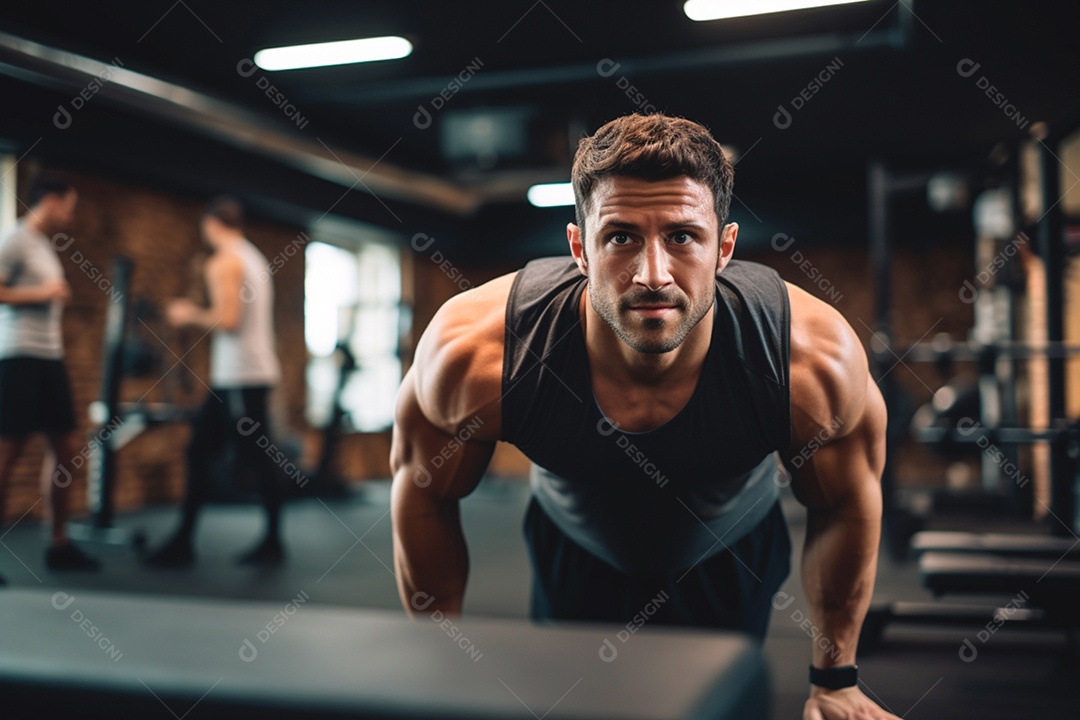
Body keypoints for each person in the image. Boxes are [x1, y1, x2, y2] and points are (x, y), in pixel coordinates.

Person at [391, 114, 898, 719]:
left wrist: (835, 678)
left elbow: (846, 501)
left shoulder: (808, 361)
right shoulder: (479, 353)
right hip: (575, 545)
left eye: (683, 237)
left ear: (725, 249)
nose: (652, 275)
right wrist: (434, 667)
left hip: (727, 546)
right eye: (621, 237)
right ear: (580, 248)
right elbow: (421, 494)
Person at [144, 196, 286, 567]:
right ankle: (189, 540)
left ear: (210, 224)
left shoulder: (225, 261)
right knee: (215, 452)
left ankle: (193, 541)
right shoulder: (253, 256)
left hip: (239, 376)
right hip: (245, 375)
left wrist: (188, 313)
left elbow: (227, 320)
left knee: (239, 455)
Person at [0, 173, 100, 582]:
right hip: (18, 356)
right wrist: (42, 294)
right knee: (7, 452)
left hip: (49, 358)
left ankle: (57, 543)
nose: (71, 217)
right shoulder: (16, 240)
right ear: (51, 201)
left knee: (67, 446)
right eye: (69, 207)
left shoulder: (43, 246)